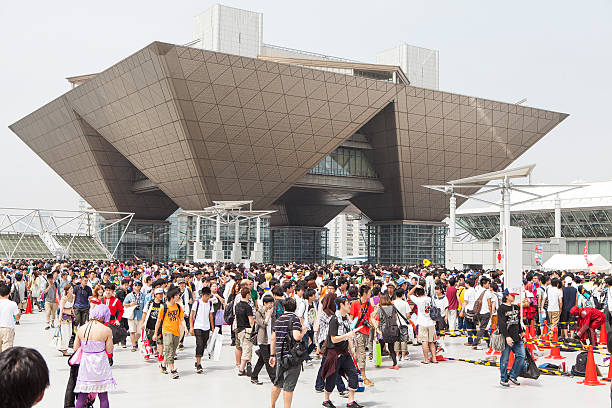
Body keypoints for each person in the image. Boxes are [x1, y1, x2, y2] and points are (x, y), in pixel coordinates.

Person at [321, 297, 363, 408]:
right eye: (348, 304)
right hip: (334, 353)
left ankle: (351, 401)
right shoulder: (334, 319)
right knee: (331, 377)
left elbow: (348, 334)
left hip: (345, 352)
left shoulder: (346, 318)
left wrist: (351, 348)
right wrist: (347, 336)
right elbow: (334, 339)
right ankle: (326, 400)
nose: (350, 306)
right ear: (341, 305)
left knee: (353, 374)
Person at [73, 304, 116, 408]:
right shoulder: (106, 330)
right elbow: (109, 350)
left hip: (86, 364)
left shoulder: (81, 329)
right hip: (101, 363)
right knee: (103, 395)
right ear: (104, 316)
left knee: (82, 394)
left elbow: (75, 348)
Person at [270, 297, 307, 408]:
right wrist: (303, 332)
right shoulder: (294, 319)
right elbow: (296, 336)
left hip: (280, 356)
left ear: (284, 307)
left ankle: (272, 405)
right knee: (288, 386)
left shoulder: (279, 320)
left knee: (278, 383)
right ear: (295, 308)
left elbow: (273, 338)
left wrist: (272, 355)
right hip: (292, 358)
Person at [154, 286, 184, 378]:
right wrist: (155, 333)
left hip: (176, 332)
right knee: (169, 349)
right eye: (177, 295)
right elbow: (158, 321)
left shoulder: (178, 307)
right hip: (166, 331)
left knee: (172, 350)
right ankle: (172, 370)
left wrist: (185, 328)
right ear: (172, 296)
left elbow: (182, 319)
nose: (178, 297)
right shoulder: (164, 307)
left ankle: (163, 365)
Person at [498, 289, 525, 387]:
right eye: (512, 295)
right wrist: (507, 337)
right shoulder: (501, 308)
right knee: (505, 358)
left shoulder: (515, 307)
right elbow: (501, 324)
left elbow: (518, 322)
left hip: (517, 337)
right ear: (506, 296)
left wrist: (522, 333)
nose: (514, 297)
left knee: (521, 355)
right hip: (507, 338)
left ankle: (513, 375)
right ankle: (503, 378)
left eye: (514, 295)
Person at [348, 285, 374, 386]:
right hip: (358, 332)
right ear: (364, 293)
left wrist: (376, 327)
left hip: (366, 332)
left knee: (359, 354)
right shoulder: (355, 304)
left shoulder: (368, 304)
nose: (370, 294)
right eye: (369, 292)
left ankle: (355, 375)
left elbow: (371, 317)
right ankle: (363, 377)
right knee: (362, 354)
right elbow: (351, 318)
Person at [408, 284, 437, 364]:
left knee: (424, 341)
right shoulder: (430, 299)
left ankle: (426, 359)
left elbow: (409, 294)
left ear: (417, 294)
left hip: (422, 322)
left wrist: (415, 287)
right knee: (431, 341)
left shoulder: (418, 300)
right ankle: (434, 358)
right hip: (431, 322)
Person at [251, 294, 276, 385]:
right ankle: (274, 379)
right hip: (263, 339)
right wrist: (268, 315)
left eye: (272, 303)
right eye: (269, 303)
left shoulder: (272, 312)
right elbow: (263, 324)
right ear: (265, 303)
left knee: (261, 359)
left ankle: (254, 376)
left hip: (271, 339)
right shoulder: (259, 312)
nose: (271, 305)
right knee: (267, 360)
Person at [190, 286, 215, 374]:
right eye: (206, 296)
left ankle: (198, 360)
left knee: (203, 344)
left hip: (206, 327)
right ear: (203, 295)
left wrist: (212, 327)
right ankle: (199, 364)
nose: (208, 298)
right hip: (198, 326)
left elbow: (211, 316)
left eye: (209, 296)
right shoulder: (197, 303)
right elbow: (192, 315)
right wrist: (191, 327)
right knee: (199, 344)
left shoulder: (210, 304)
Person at [373, 293, 400, 369]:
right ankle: (395, 364)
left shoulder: (380, 309)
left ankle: (378, 362)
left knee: (380, 347)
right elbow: (395, 318)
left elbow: (377, 321)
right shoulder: (393, 307)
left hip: (383, 331)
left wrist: (376, 331)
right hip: (392, 330)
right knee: (391, 348)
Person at [235, 286, 255, 377]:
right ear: (247, 295)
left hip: (239, 329)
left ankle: (246, 366)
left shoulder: (237, 305)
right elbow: (251, 321)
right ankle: (241, 369)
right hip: (247, 330)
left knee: (244, 347)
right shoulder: (248, 307)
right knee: (247, 349)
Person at [141, 288, 164, 359]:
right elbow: (144, 313)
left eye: (161, 294)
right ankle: (147, 353)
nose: (160, 295)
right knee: (148, 340)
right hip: (149, 325)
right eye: (159, 294)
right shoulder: (149, 303)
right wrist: (142, 323)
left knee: (160, 342)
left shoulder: (163, 305)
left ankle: (160, 355)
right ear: (155, 295)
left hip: (159, 326)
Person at [123, 281, 146, 352]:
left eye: (138, 285)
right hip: (132, 315)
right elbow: (124, 304)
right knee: (132, 331)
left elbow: (145, 306)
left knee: (139, 332)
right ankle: (134, 345)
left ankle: (136, 341)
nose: (137, 286)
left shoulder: (143, 295)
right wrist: (130, 304)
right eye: (135, 285)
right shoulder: (129, 295)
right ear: (133, 286)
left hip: (140, 315)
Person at [0, 284, 20, 351]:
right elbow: (17, 317)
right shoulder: (12, 304)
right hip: (8, 328)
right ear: (9, 293)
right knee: (6, 352)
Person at [58, 284, 75, 356]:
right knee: (65, 334)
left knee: (70, 333)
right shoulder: (64, 298)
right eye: (70, 289)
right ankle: (64, 349)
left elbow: (72, 307)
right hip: (64, 317)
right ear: (67, 290)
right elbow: (61, 310)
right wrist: (59, 321)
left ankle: (64, 348)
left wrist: (74, 315)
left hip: (70, 317)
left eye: (72, 288)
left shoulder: (73, 297)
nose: (72, 290)